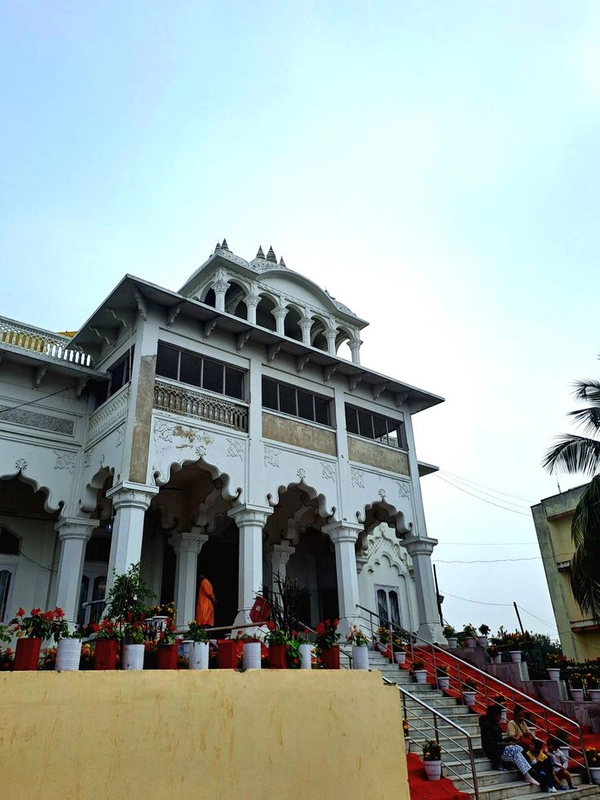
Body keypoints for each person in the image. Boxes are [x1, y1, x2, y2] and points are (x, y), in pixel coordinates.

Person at [478, 705, 540, 786]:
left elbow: (499, 740)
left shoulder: (494, 725)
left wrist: (509, 739)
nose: (500, 717)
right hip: (493, 751)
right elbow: (491, 744)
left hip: (499, 748)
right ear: (495, 715)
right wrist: (506, 743)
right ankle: (528, 773)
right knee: (514, 749)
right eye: (499, 715)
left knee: (518, 748)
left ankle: (528, 770)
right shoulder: (487, 726)